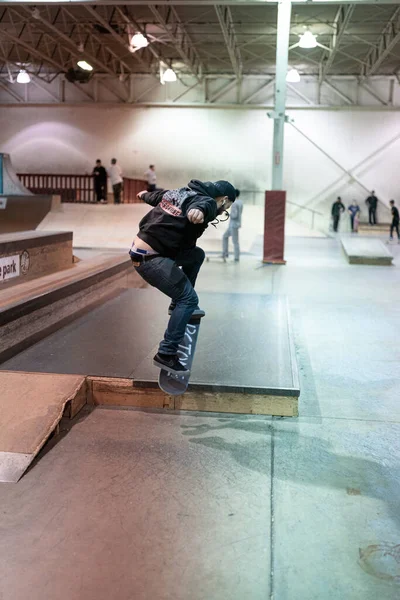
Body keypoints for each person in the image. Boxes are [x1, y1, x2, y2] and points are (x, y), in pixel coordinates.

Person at [130, 179, 236, 376]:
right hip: (151, 259)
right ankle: (166, 354)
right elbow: (202, 206)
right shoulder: (209, 203)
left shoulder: (179, 192)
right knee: (188, 299)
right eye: (227, 207)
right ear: (224, 199)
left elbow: (156, 196)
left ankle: (175, 305)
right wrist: (200, 212)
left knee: (196, 255)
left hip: (148, 250)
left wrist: (144, 194)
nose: (224, 211)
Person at [222, 188, 243, 261]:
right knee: (225, 236)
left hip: (233, 225)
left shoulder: (234, 203)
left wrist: (228, 214)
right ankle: (225, 253)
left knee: (235, 241)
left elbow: (234, 215)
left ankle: (236, 257)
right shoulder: (240, 202)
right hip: (236, 224)